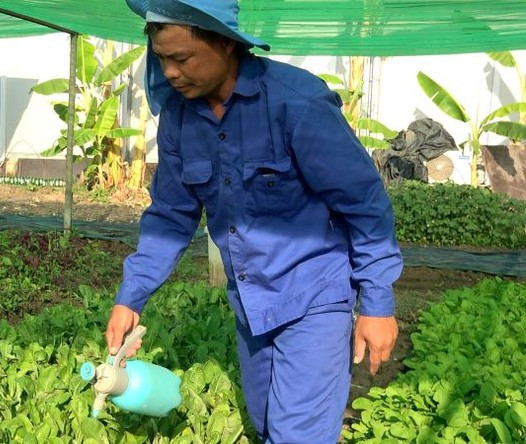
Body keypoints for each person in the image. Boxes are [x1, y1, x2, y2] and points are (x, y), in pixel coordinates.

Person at [104, 0, 403, 442]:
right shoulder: (179, 120)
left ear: (226, 44)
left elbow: (365, 203)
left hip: (314, 299)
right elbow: (170, 215)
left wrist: (377, 303)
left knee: (297, 435)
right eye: (162, 58)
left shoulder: (296, 104)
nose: (168, 72)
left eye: (181, 58)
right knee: (265, 424)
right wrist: (131, 297)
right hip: (251, 303)